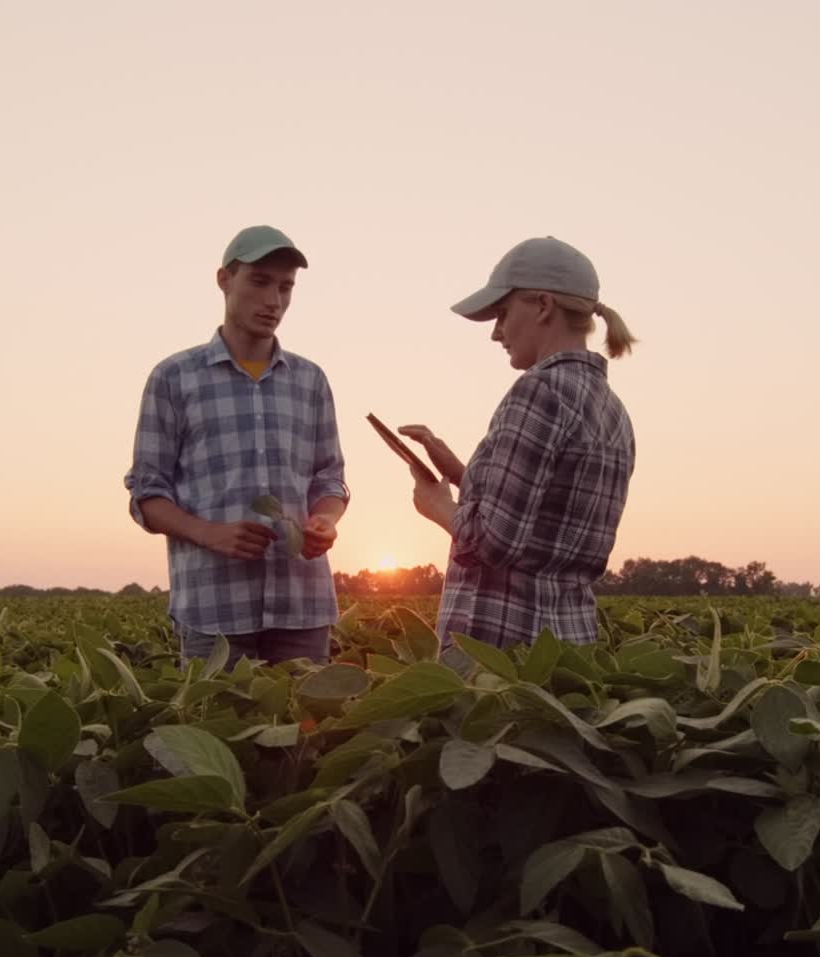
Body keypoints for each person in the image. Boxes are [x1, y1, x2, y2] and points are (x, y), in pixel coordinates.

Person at [124, 226, 349, 667]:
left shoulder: (311, 380)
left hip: (301, 604)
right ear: (225, 280)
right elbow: (147, 495)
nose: (274, 301)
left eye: (286, 287)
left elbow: (330, 477)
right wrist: (212, 534)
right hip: (213, 610)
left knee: (305, 733)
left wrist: (324, 519)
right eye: (260, 282)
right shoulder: (174, 378)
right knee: (217, 733)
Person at [402, 236, 636, 649]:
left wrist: (436, 504)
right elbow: (544, 517)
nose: (496, 333)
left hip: (500, 651)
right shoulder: (614, 411)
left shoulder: (538, 392)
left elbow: (495, 541)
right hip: (568, 645)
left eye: (503, 313)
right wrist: (458, 470)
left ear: (543, 306)